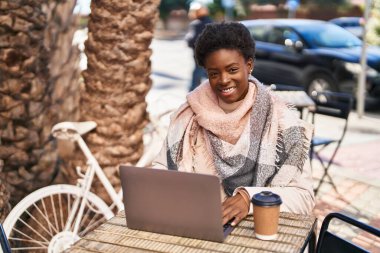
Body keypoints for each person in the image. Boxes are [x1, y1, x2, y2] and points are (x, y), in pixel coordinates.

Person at [152, 22, 315, 227]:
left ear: (249, 65)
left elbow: (304, 197)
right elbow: (162, 166)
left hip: (256, 232)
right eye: (214, 73)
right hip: (198, 227)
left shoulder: (283, 122)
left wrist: (250, 198)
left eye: (232, 69)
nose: (223, 80)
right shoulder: (189, 115)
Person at [184, 2, 212, 91]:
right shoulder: (211, 21)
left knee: (198, 72)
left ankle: (193, 91)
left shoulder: (196, 24)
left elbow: (192, 39)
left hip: (199, 53)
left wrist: (187, 39)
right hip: (211, 53)